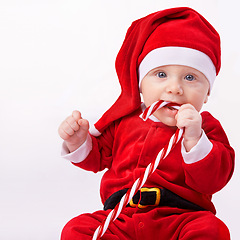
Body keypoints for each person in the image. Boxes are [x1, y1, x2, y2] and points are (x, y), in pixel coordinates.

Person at [58, 7, 235, 240]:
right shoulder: (123, 120)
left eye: (190, 77)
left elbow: (214, 180)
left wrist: (195, 139)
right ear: (140, 83)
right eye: (161, 74)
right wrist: (78, 141)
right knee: (77, 229)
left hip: (180, 218)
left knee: (212, 230)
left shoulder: (205, 127)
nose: (174, 88)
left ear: (207, 93)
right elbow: (97, 158)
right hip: (121, 216)